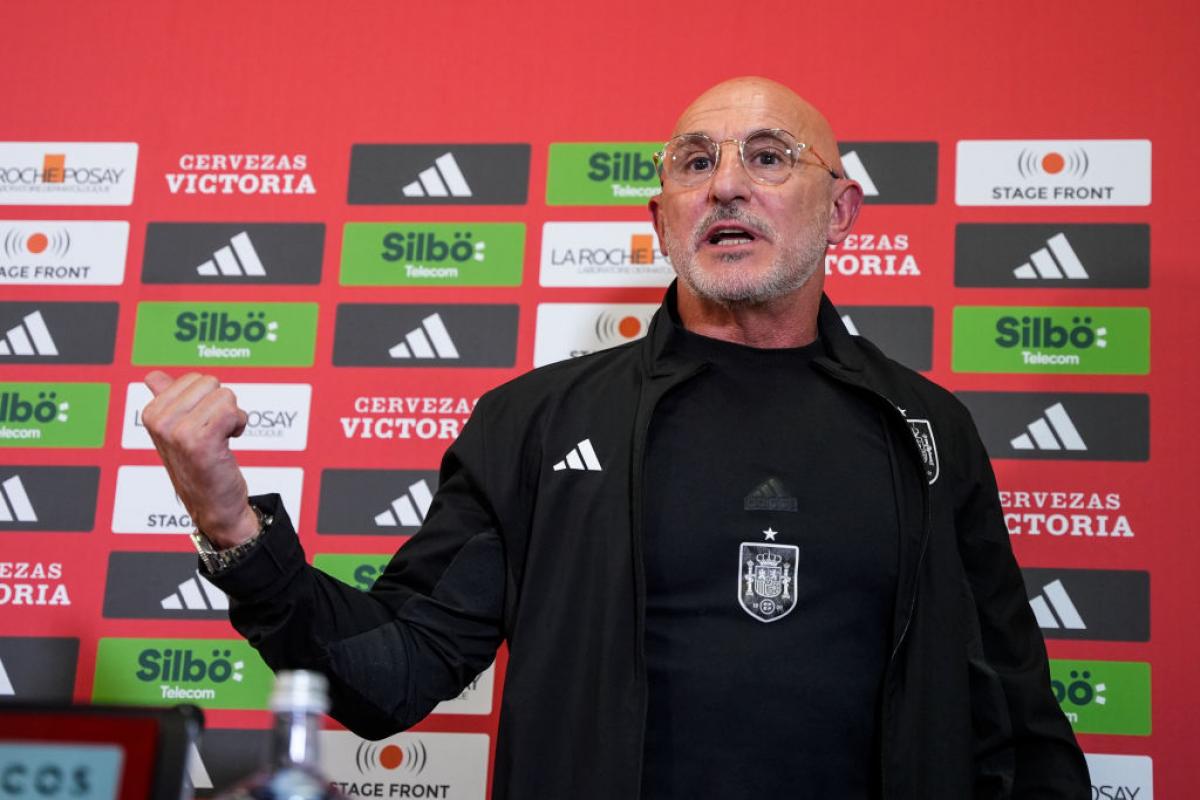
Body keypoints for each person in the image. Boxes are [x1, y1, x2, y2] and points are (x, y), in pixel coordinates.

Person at [141, 77, 1089, 799]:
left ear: (838, 210)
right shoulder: (539, 419)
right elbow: (390, 673)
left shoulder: (928, 431)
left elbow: (1013, 703)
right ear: (659, 219)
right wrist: (233, 527)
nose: (726, 185)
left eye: (769, 156)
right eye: (694, 162)